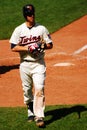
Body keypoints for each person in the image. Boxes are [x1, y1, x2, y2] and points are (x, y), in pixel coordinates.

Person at [9, 4, 53, 127]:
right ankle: (30, 111)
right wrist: (29, 48)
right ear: (25, 15)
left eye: (32, 13)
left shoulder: (42, 29)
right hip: (25, 64)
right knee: (27, 90)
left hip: (39, 63)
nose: (32, 16)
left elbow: (50, 45)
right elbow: (13, 47)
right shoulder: (19, 30)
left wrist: (40, 46)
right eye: (29, 14)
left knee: (39, 88)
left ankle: (39, 117)